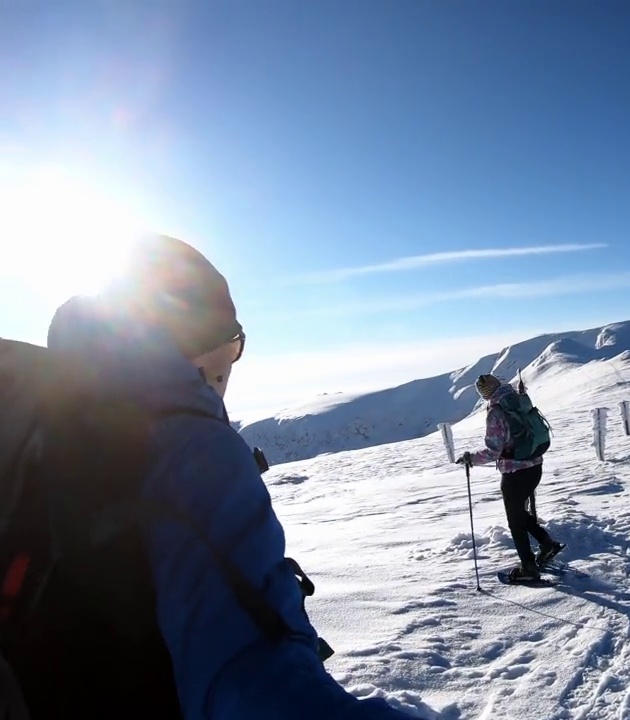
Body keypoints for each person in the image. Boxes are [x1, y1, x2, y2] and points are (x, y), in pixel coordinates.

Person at [0, 234, 414, 718]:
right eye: (229, 344)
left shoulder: (48, 421)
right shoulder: (188, 443)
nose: (227, 369)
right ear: (194, 342)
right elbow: (254, 682)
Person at [457, 374, 563, 583]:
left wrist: (471, 458)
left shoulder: (496, 412)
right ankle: (546, 543)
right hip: (535, 465)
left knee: (515, 521)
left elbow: (493, 451)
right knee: (519, 514)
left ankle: (528, 568)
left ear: (484, 394)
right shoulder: (518, 399)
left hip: (515, 473)